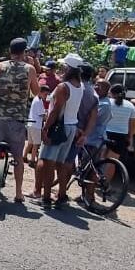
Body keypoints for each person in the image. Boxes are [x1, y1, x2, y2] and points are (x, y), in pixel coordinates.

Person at [0, 38, 40, 203]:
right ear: (24, 52)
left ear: (10, 51)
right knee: (18, 157)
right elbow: (36, 92)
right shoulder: (29, 69)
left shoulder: (0, 66)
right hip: (17, 119)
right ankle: (19, 192)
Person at [35, 53, 85, 208]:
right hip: (71, 126)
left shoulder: (64, 87)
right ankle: (61, 195)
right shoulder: (80, 86)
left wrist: (45, 128)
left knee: (48, 163)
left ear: (69, 68)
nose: (61, 68)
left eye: (64, 66)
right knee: (61, 163)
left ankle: (46, 198)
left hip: (59, 126)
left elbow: (56, 111)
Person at [59, 64, 98, 202]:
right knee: (69, 162)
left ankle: (57, 192)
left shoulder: (73, 88)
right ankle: (62, 192)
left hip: (66, 127)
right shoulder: (93, 94)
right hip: (80, 132)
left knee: (57, 161)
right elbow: (93, 118)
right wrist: (85, 135)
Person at [105, 84, 135, 170]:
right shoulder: (131, 106)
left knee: (99, 160)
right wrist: (130, 140)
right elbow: (131, 126)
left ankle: (94, 178)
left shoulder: (107, 102)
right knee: (112, 163)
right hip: (120, 137)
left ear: (111, 92)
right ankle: (106, 179)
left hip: (105, 133)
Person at [24, 83, 51, 169]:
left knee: (30, 143)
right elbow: (42, 115)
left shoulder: (36, 99)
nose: (46, 96)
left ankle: (24, 156)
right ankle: (32, 161)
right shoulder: (39, 102)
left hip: (30, 124)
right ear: (40, 92)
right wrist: (49, 117)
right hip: (36, 125)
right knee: (36, 144)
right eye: (45, 94)